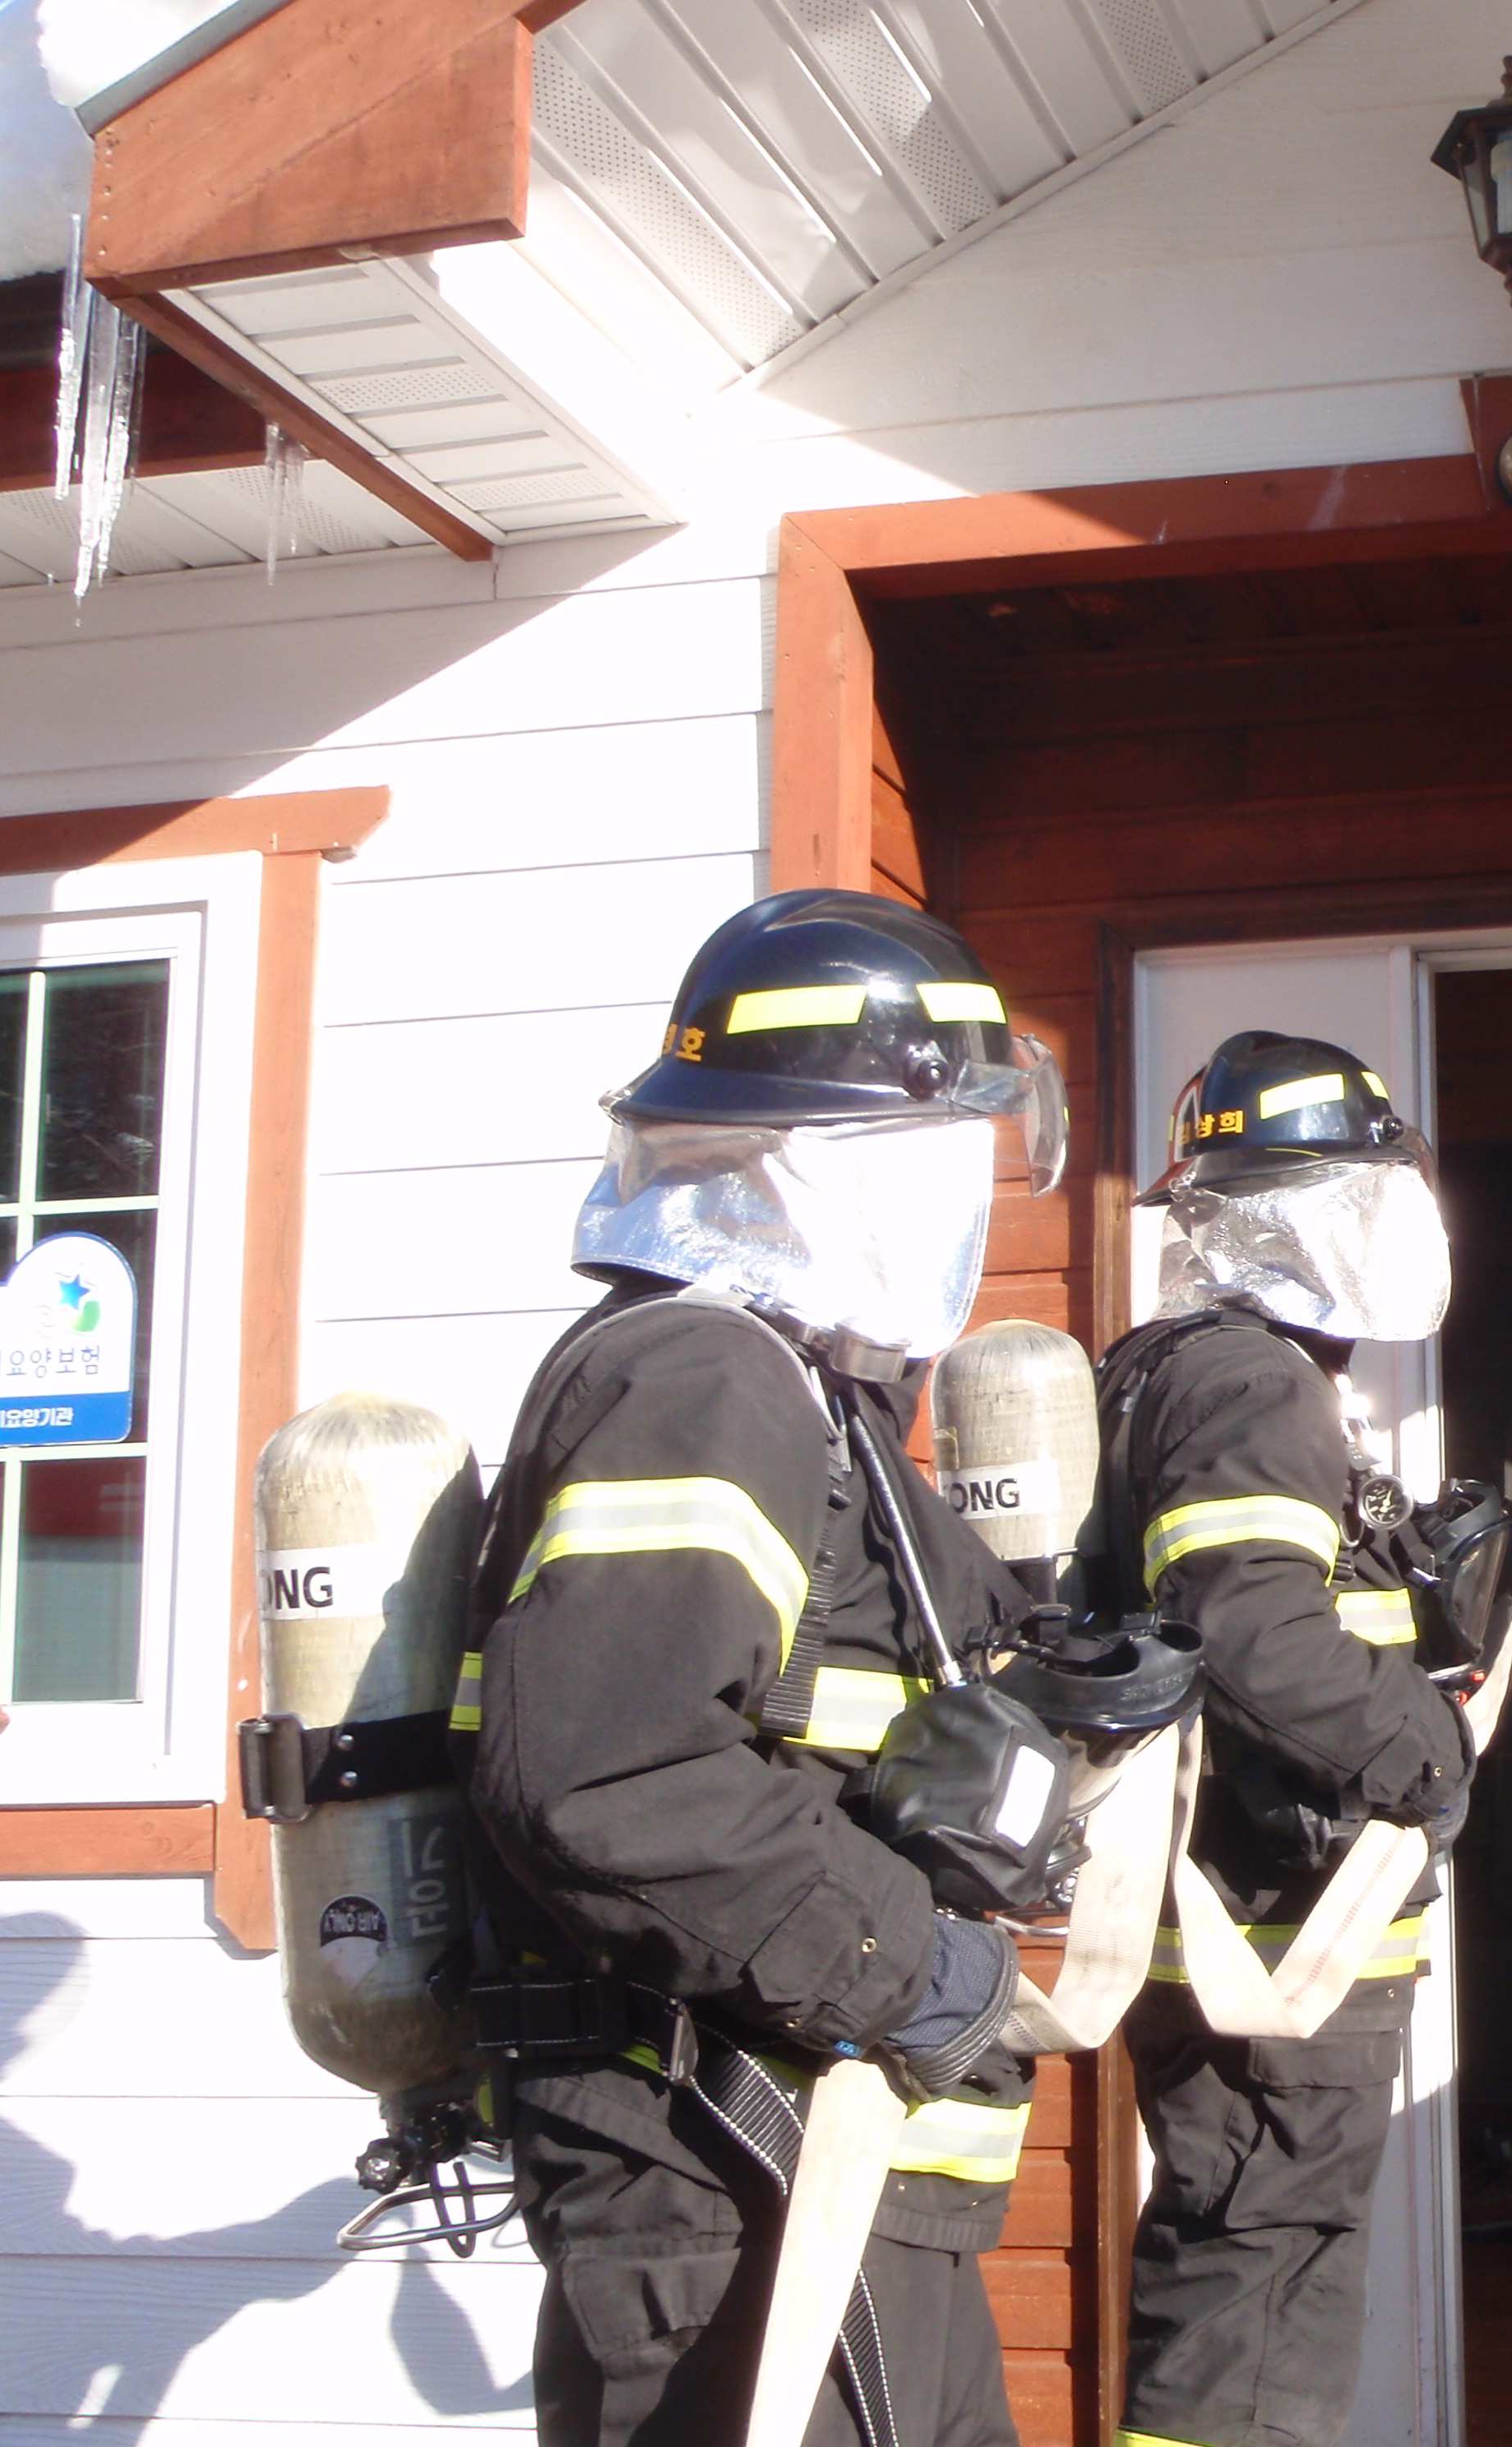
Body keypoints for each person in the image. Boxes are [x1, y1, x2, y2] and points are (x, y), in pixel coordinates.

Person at [460, 888, 1074, 2447]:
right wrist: (910, 1968)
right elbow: (616, 1772)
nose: (969, 1194)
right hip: (733, 2174)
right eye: (942, 1148)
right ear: (818, 1157)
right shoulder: (700, 1375)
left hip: (823, 2170)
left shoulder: (811, 1397)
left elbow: (876, 1691)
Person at [1096, 1033, 1474, 2447]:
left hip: (1236, 1923)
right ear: (1317, 1210)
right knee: (1258, 2304)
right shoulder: (1253, 1381)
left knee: (1241, 2269)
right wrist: (1430, 1751)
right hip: (1274, 1935)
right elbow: (1251, 1630)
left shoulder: (1174, 1368)